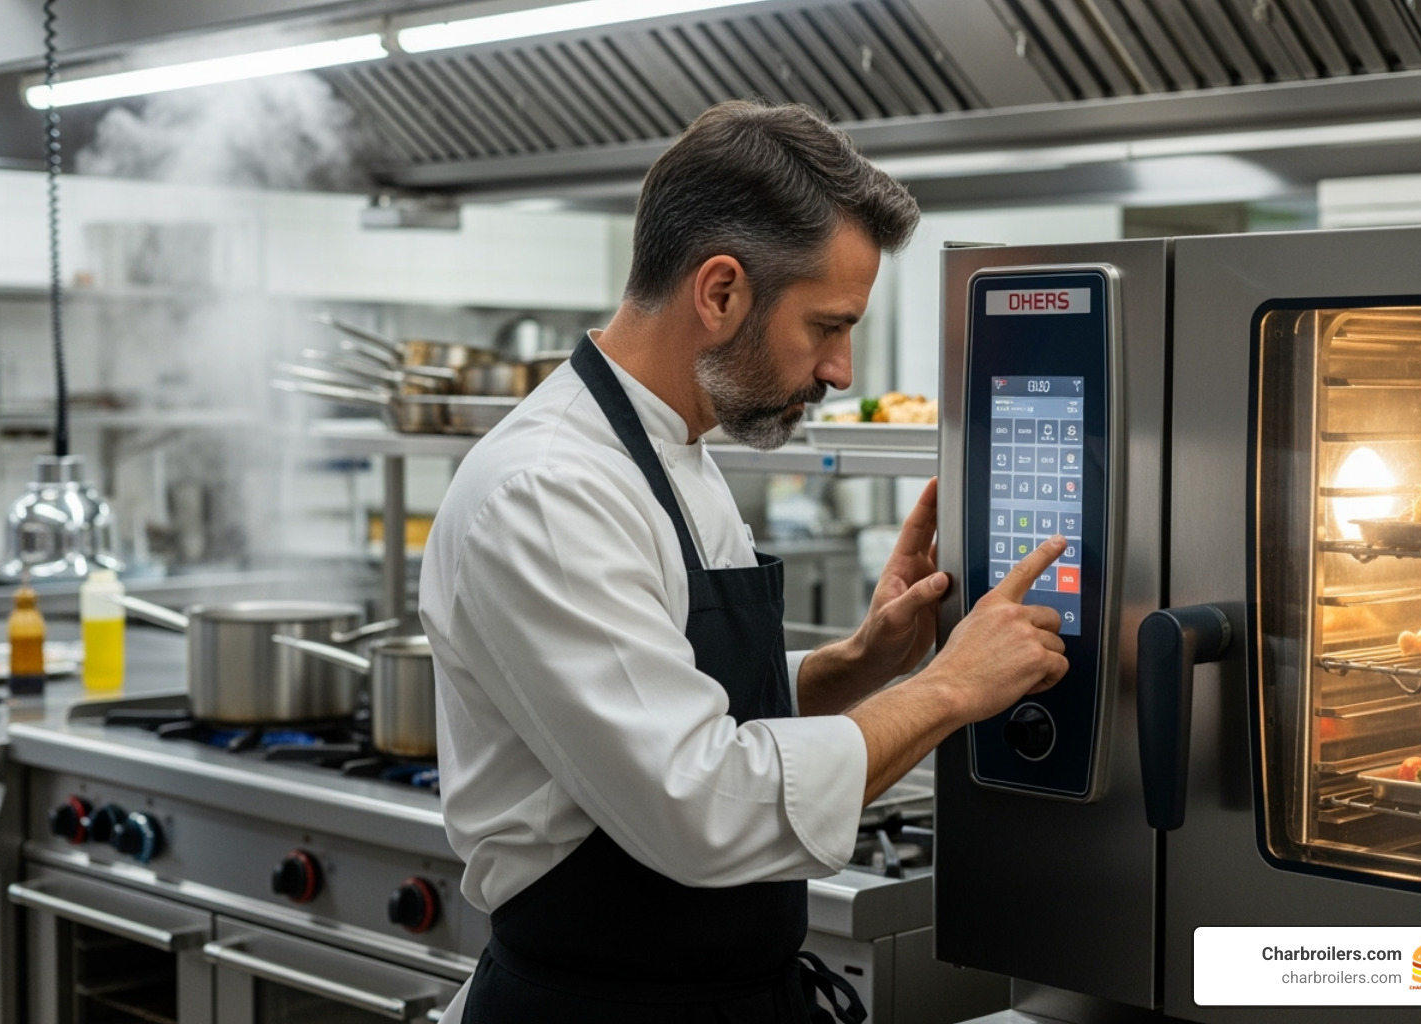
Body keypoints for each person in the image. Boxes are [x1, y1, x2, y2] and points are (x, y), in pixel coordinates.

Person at [418, 99, 1068, 1024]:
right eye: (828, 326)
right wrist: (950, 688)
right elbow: (701, 802)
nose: (842, 371)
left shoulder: (676, 449)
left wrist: (858, 664)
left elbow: (681, 694)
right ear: (720, 293)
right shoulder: (548, 491)